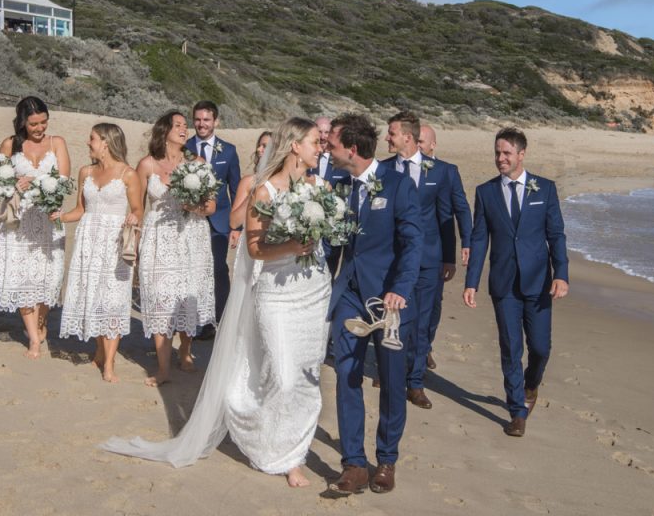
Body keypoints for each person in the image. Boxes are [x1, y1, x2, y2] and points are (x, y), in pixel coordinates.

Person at [103, 117, 330, 489]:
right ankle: (257, 427)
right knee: (283, 375)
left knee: (306, 378)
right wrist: (293, 246)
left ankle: (293, 455)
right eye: (313, 142)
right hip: (276, 293)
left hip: (313, 291)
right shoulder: (263, 191)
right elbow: (255, 249)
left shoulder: (319, 187)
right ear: (295, 146)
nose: (319, 148)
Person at [326, 113, 422, 495]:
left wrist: (400, 289)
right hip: (349, 294)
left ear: (352, 149)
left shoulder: (399, 185)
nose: (327, 148)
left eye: (331, 143)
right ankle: (353, 463)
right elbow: (334, 243)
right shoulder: (338, 186)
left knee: (391, 380)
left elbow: (413, 243)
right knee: (346, 373)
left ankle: (386, 460)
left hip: (388, 301)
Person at [463, 127, 569, 437]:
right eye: (497, 152)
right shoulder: (486, 192)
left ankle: (531, 384)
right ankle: (517, 410)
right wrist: (472, 282)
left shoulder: (545, 189)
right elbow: (479, 238)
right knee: (510, 347)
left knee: (540, 348)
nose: (500, 158)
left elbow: (556, 235)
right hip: (504, 283)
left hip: (539, 283)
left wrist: (561, 273)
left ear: (521, 155)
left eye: (507, 153)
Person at [381, 112, 470, 410]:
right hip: (391, 257)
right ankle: (389, 371)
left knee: (420, 323)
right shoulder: (382, 170)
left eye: (391, 133)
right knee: (391, 319)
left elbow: (448, 216)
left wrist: (452, 254)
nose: (386, 138)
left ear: (408, 136)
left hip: (428, 259)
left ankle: (415, 382)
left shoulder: (443, 171)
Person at [54, 124, 143, 383]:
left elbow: (138, 208)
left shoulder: (128, 174)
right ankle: (99, 351)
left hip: (115, 242)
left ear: (105, 142)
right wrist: (59, 218)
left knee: (113, 299)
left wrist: (133, 217)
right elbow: (80, 209)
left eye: (91, 138)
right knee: (93, 295)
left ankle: (110, 363)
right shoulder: (86, 172)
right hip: (88, 241)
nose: (87, 143)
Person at [136, 110, 216, 386]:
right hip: (158, 237)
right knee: (161, 297)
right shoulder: (146, 165)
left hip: (192, 237)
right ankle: (163, 368)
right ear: (164, 131)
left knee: (187, 293)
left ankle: (185, 350)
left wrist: (191, 205)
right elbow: (136, 207)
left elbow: (211, 206)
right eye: (178, 125)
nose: (184, 129)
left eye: (185, 125)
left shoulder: (198, 163)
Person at [0, 96, 71, 359]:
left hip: (49, 220)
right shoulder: (10, 144)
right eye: (34, 124)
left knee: (48, 277)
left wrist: (39, 184)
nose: (40, 128)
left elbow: (64, 182)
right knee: (23, 278)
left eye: (44, 122)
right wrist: (15, 183)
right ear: (22, 122)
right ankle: (34, 340)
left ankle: (41, 322)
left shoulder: (57, 143)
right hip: (19, 220)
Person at [415, 123, 472, 372]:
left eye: (421, 142)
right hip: (406, 248)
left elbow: (461, 208)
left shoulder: (448, 171)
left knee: (433, 305)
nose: (417, 147)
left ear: (433, 145)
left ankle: (425, 346)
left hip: (438, 249)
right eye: (414, 141)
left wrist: (466, 242)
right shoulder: (401, 168)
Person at [185, 101, 241, 334]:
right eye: (198, 119)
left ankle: (220, 318)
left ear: (216, 121)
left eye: (206, 120)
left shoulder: (228, 150)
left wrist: (237, 227)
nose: (201, 124)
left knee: (218, 268)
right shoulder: (184, 147)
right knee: (192, 269)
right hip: (189, 220)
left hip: (219, 220)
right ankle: (196, 321)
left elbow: (236, 189)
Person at [308, 116, 349, 275]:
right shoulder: (306, 159)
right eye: (320, 132)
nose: (324, 136)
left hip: (333, 230)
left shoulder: (342, 161)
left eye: (327, 132)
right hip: (308, 227)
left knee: (328, 273)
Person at [229, 130, 272, 235]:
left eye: (264, 146)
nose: (258, 149)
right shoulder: (248, 181)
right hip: (253, 240)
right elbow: (234, 222)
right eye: (259, 145)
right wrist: (254, 193)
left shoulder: (284, 180)